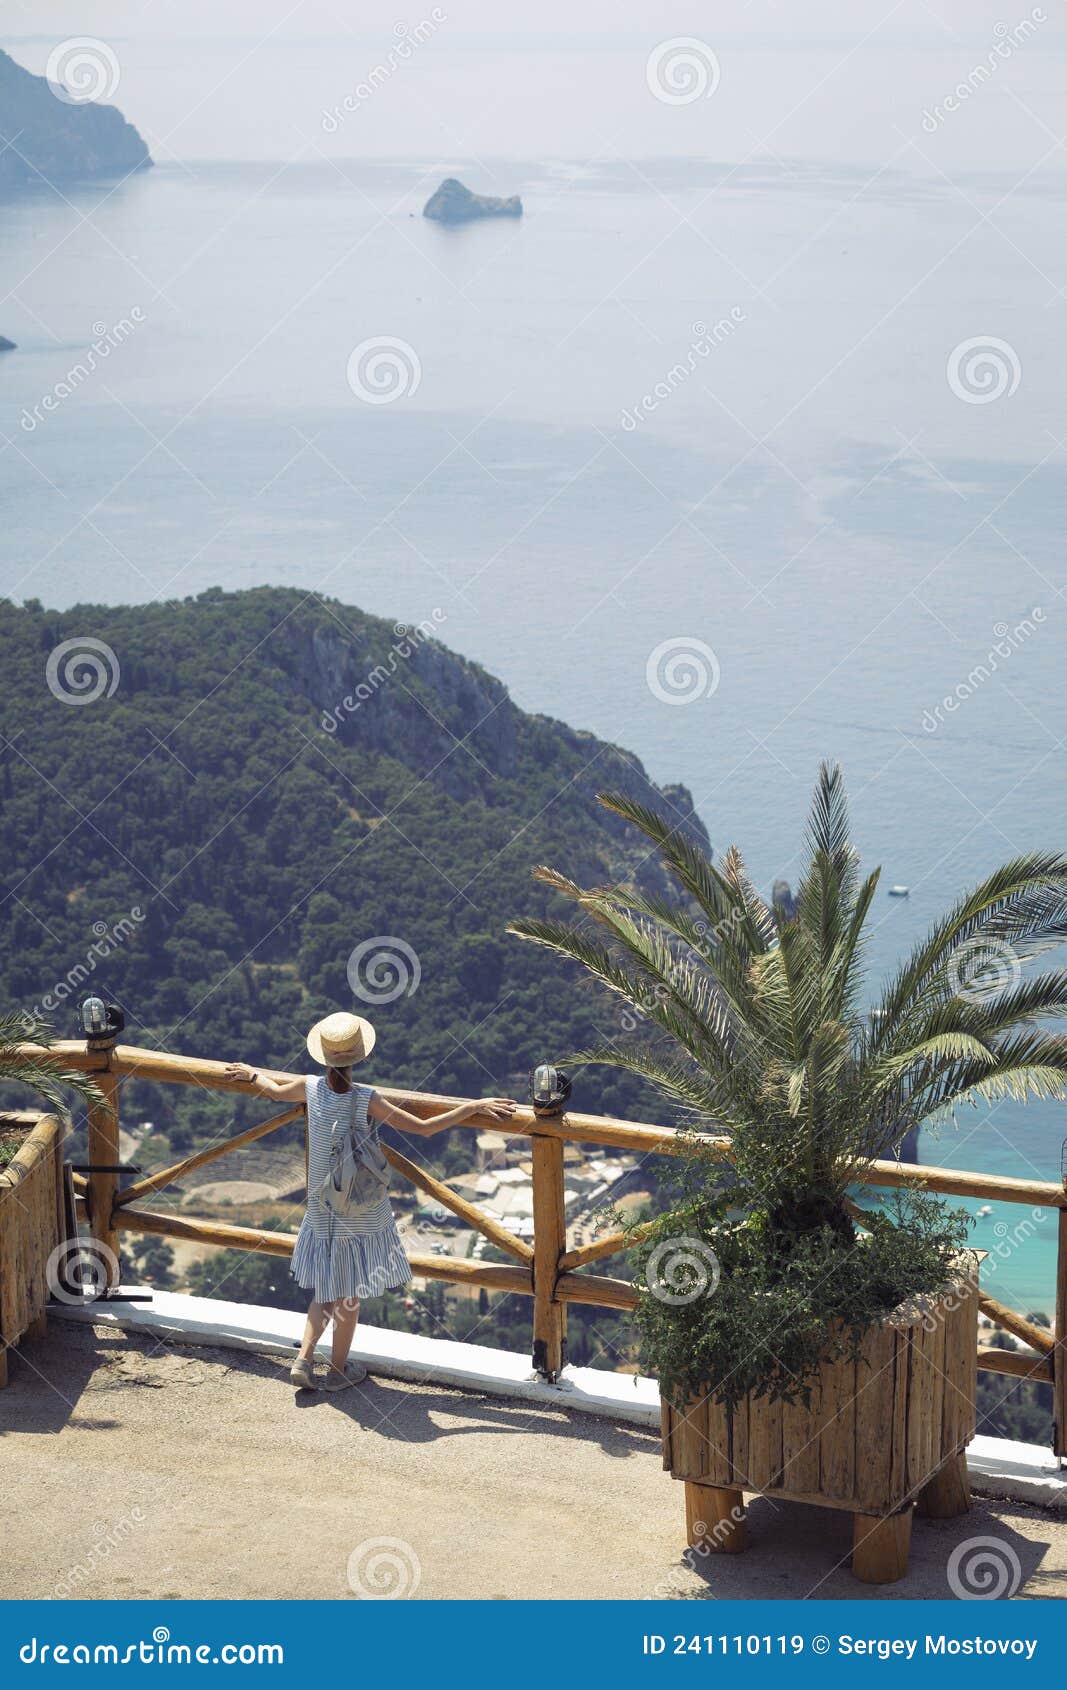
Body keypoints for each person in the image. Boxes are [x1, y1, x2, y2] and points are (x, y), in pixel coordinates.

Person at [225, 1011, 516, 1392]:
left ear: (323, 1057)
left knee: (326, 1289)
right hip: (360, 1209)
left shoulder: (310, 1088)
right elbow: (424, 1129)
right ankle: (339, 1371)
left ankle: (303, 1359)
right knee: (349, 1295)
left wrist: (251, 1074)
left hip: (321, 1204)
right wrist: (473, 1106)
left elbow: (276, 1092)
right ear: (359, 1057)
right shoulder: (367, 1098)